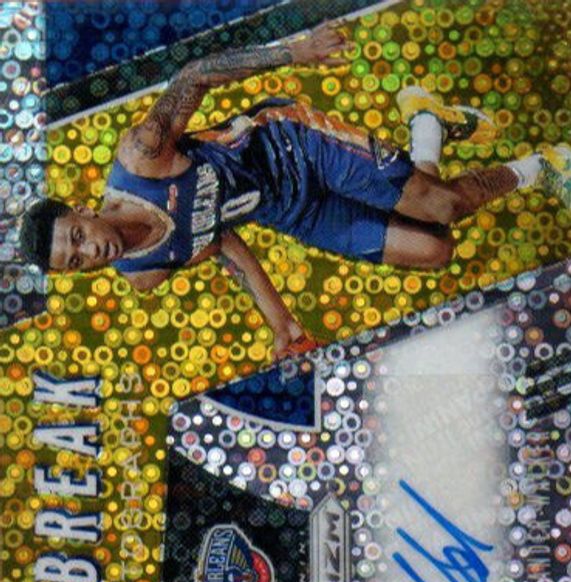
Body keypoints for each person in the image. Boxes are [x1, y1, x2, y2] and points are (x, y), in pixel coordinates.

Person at [19, 22, 570, 359]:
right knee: (434, 246)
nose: (91, 252)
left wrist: (294, 52)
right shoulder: (145, 272)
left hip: (296, 145)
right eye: (77, 262)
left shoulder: (141, 158)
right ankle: (428, 123)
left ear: (82, 209)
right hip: (288, 210)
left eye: (77, 236)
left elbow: (194, 75)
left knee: (442, 204)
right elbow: (224, 245)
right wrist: (280, 323)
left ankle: (543, 165)